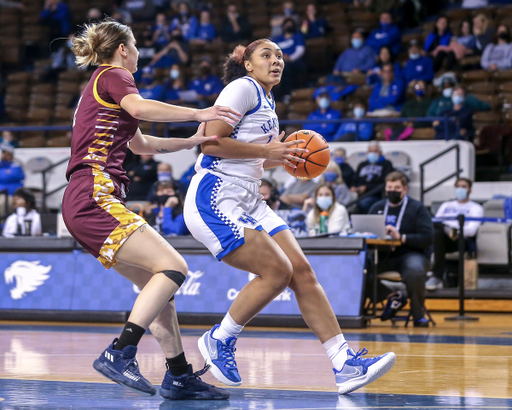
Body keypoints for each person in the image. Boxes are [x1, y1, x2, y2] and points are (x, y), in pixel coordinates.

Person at [183, 38, 395, 395]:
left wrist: (280, 158)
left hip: (250, 197)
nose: (276, 60)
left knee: (302, 272)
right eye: (266, 55)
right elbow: (211, 145)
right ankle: (220, 339)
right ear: (248, 64)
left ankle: (344, 364)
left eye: (280, 55)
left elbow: (252, 157)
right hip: (216, 195)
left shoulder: (266, 99)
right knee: (277, 271)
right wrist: (268, 150)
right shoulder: (241, 88)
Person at [62, 18, 241, 400]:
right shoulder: (113, 74)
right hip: (94, 195)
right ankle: (120, 351)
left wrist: (190, 140)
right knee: (175, 267)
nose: (140, 51)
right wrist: (199, 113)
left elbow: (141, 144)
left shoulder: (104, 91)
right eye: (137, 44)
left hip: (84, 200)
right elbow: (141, 107)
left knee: (157, 288)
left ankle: (178, 375)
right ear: (123, 48)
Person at [368, 172, 434, 327]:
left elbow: (428, 238)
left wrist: (402, 237)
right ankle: (392, 297)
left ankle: (418, 316)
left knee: (415, 271)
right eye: (389, 187)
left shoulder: (418, 208)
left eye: (396, 188)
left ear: (405, 189)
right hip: (382, 254)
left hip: (410, 253)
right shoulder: (377, 207)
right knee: (358, 268)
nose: (392, 191)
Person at [427, 178, 484, 290]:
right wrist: (446, 229)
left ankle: (436, 275)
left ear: (470, 190)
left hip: (462, 240)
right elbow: (434, 223)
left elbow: (471, 231)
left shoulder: (476, 208)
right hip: (443, 239)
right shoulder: (446, 205)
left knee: (439, 231)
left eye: (463, 187)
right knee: (436, 230)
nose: (460, 189)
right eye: (458, 186)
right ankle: (433, 276)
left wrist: (454, 230)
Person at [351, 141, 394, 214]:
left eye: (375, 151)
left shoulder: (386, 164)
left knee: (363, 203)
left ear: (380, 152)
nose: (372, 153)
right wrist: (353, 186)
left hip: (376, 194)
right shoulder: (362, 164)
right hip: (359, 194)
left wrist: (366, 188)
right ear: (367, 152)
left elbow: (384, 182)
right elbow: (354, 178)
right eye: (370, 151)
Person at [272, 18, 307, 98]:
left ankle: (287, 94)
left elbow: (300, 50)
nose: (288, 26)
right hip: (279, 62)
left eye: (290, 24)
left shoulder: (298, 36)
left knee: (285, 68)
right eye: (286, 24)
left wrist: (290, 58)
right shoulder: (278, 39)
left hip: (294, 61)